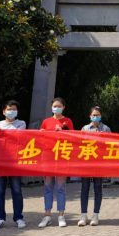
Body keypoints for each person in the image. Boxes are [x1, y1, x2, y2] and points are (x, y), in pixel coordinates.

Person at [0, 100, 27, 229]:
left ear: (17, 111)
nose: (11, 111)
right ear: (4, 112)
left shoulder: (21, 123)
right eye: (9, 109)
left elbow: (17, 137)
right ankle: (0, 218)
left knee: (16, 191)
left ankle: (18, 218)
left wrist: (2, 133)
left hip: (14, 162)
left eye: (14, 109)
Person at [38, 97, 74, 228]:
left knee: (60, 188)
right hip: (48, 158)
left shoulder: (67, 121)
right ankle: (47, 216)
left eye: (59, 106)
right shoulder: (46, 121)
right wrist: (41, 133)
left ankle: (61, 215)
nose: (56, 108)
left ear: (63, 107)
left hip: (62, 158)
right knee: (48, 187)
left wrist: (63, 132)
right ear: (51, 107)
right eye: (54, 106)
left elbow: (73, 138)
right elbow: (40, 140)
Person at [78, 106, 111, 227]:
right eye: (93, 115)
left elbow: (110, 145)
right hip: (86, 162)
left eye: (97, 115)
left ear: (101, 116)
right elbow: (79, 143)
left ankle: (95, 215)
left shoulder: (106, 129)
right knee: (85, 188)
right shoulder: (85, 128)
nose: (95, 117)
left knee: (98, 188)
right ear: (90, 116)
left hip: (99, 163)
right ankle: (83, 215)